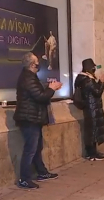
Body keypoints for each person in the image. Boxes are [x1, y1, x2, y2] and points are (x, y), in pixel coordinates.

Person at [14, 52, 62, 189]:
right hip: (29, 119)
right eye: (36, 62)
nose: (38, 64)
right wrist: (51, 89)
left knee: (36, 148)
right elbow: (40, 97)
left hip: (33, 117)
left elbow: (39, 95)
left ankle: (41, 172)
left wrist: (51, 88)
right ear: (31, 65)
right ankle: (24, 179)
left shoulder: (31, 77)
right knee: (30, 149)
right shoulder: (27, 78)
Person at [74, 58, 104, 161]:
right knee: (92, 131)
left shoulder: (85, 78)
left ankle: (93, 152)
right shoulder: (86, 80)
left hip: (91, 107)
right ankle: (92, 153)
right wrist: (102, 82)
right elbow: (97, 92)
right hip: (91, 108)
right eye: (93, 67)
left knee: (92, 130)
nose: (94, 69)